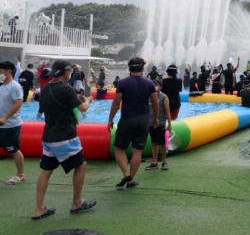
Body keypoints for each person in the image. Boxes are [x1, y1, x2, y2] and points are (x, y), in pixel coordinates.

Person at [33, 59, 95, 219]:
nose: (71, 73)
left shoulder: (46, 88)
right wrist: (88, 101)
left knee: (46, 171)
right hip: (65, 137)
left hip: (48, 137)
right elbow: (83, 108)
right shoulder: (66, 89)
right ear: (65, 71)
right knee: (81, 165)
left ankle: (39, 208)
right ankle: (77, 202)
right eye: (70, 71)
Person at [107, 57, 159, 189]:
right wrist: (156, 118)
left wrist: (110, 119)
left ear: (129, 68)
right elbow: (155, 102)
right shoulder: (149, 83)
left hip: (127, 119)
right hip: (143, 119)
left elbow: (116, 103)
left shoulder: (123, 83)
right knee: (137, 151)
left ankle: (126, 174)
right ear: (142, 68)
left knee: (119, 148)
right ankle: (131, 180)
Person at [0, 61, 26, 186]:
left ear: (8, 71)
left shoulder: (15, 86)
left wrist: (5, 117)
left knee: (13, 150)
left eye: (0, 71)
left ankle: (20, 174)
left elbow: (18, 103)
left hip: (10, 125)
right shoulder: (1, 85)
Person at [145, 80, 172, 171]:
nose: (155, 87)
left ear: (161, 86)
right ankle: (155, 162)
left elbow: (167, 112)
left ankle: (164, 162)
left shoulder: (164, 97)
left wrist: (169, 124)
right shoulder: (148, 96)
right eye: (154, 85)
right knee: (154, 143)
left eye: (157, 85)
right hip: (151, 123)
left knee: (162, 144)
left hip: (161, 123)